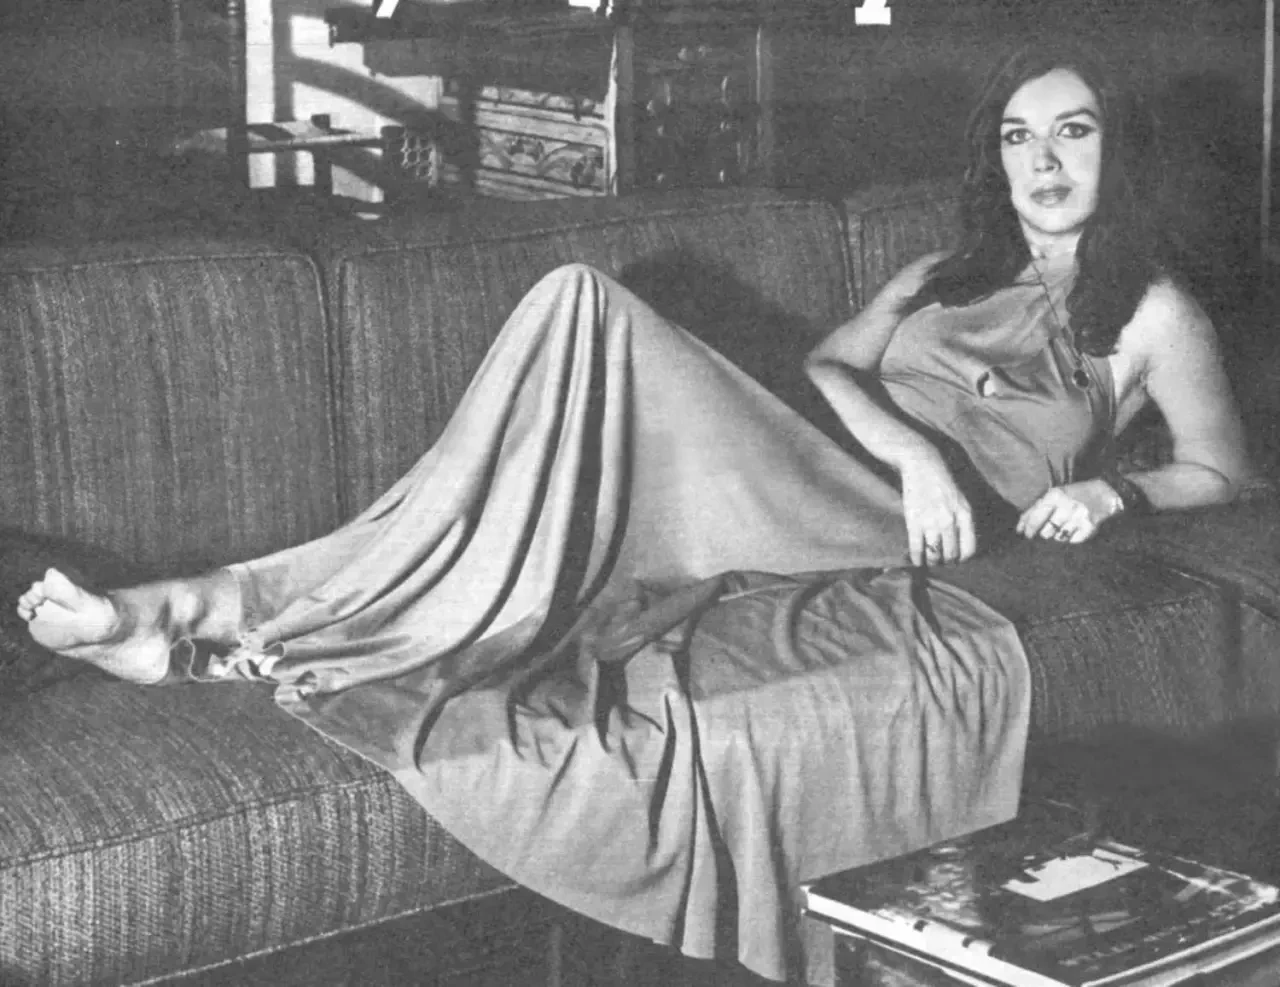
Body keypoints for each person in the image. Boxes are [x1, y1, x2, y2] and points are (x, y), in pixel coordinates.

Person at [12, 40, 1254, 984]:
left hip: (887, 526)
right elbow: (828, 366)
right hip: (827, 464)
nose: (1041, 163)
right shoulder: (942, 273)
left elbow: (1221, 472)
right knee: (561, 351)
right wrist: (909, 447)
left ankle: (199, 611)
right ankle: (195, 618)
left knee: (580, 304)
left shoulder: (1154, 313)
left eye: (1072, 132)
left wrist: (1107, 486)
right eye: (1018, 137)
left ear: (1118, 150)